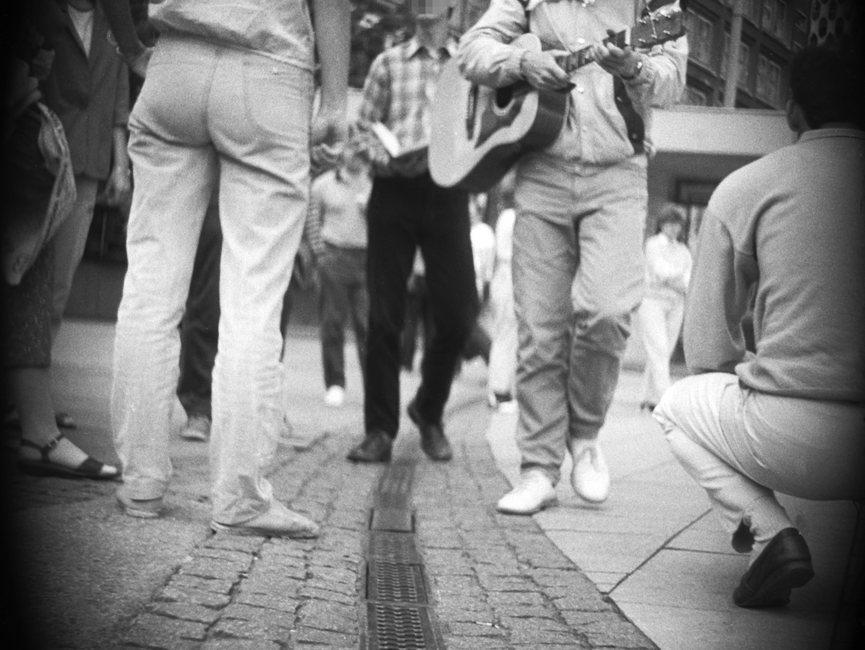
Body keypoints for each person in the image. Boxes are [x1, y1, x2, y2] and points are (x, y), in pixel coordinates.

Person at [111, 0, 350, 538]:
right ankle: (240, 498)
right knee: (253, 299)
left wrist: (131, 46)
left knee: (150, 284)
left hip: (172, 61)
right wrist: (334, 98)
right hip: (269, 65)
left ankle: (141, 480)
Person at [653, 41, 865, 609]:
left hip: (789, 431)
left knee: (675, 405)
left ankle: (773, 539)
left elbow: (704, 348)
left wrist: (744, 372)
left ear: (792, 110)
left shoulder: (747, 187)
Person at [456, 0, 687, 513]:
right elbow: (471, 49)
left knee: (608, 311)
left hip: (618, 172)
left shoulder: (653, 6)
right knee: (539, 329)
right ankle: (537, 468)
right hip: (541, 170)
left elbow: (674, 81)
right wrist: (521, 64)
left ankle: (584, 436)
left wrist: (634, 65)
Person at [347, 0, 478, 463]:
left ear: (451, 6)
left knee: (461, 315)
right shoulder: (387, 63)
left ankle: (428, 409)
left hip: (447, 193)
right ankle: (379, 429)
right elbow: (361, 130)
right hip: (394, 192)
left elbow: (484, 130)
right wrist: (388, 161)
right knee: (384, 315)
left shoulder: (472, 64)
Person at [1, 0, 120, 480]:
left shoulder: (112, 22)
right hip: (38, 135)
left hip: (65, 149)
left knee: (45, 282)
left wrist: (120, 159)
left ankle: (31, 413)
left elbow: (117, 94)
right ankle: (34, 423)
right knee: (27, 276)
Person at [305, 135, 372, 409]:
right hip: (335, 255)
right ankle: (335, 383)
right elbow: (312, 220)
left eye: (360, 151)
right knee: (332, 324)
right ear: (342, 154)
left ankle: (374, 387)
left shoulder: (374, 183)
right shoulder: (322, 185)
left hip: (366, 258)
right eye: (351, 150)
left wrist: (371, 210)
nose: (355, 156)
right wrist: (321, 254)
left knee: (367, 325)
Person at [638, 203, 691, 411]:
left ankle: (649, 397)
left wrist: (673, 277)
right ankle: (665, 399)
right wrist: (675, 276)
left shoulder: (684, 251)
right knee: (658, 347)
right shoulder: (652, 245)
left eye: (677, 224)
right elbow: (660, 272)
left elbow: (688, 281)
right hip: (652, 301)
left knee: (664, 351)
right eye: (669, 224)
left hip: (676, 304)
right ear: (661, 224)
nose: (673, 228)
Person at [486, 182, 518, 413]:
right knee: (506, 336)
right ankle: (499, 391)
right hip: (509, 276)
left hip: (507, 276)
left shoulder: (505, 217)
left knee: (505, 335)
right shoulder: (511, 217)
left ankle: (500, 388)